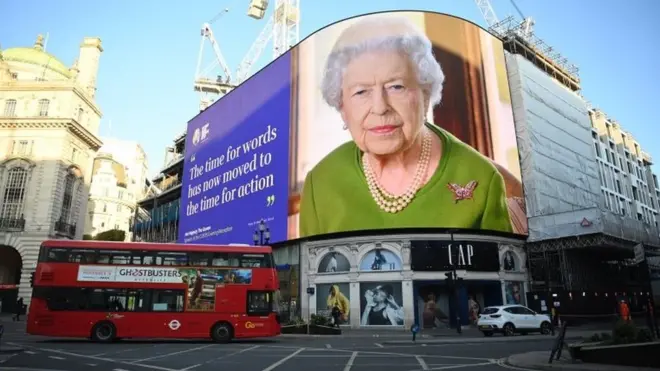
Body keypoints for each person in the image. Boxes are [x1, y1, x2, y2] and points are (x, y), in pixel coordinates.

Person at [299, 15, 513, 238]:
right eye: (361, 91)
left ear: (426, 93)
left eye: (396, 87)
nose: (380, 107)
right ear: (342, 107)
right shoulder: (321, 183)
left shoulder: (482, 179)